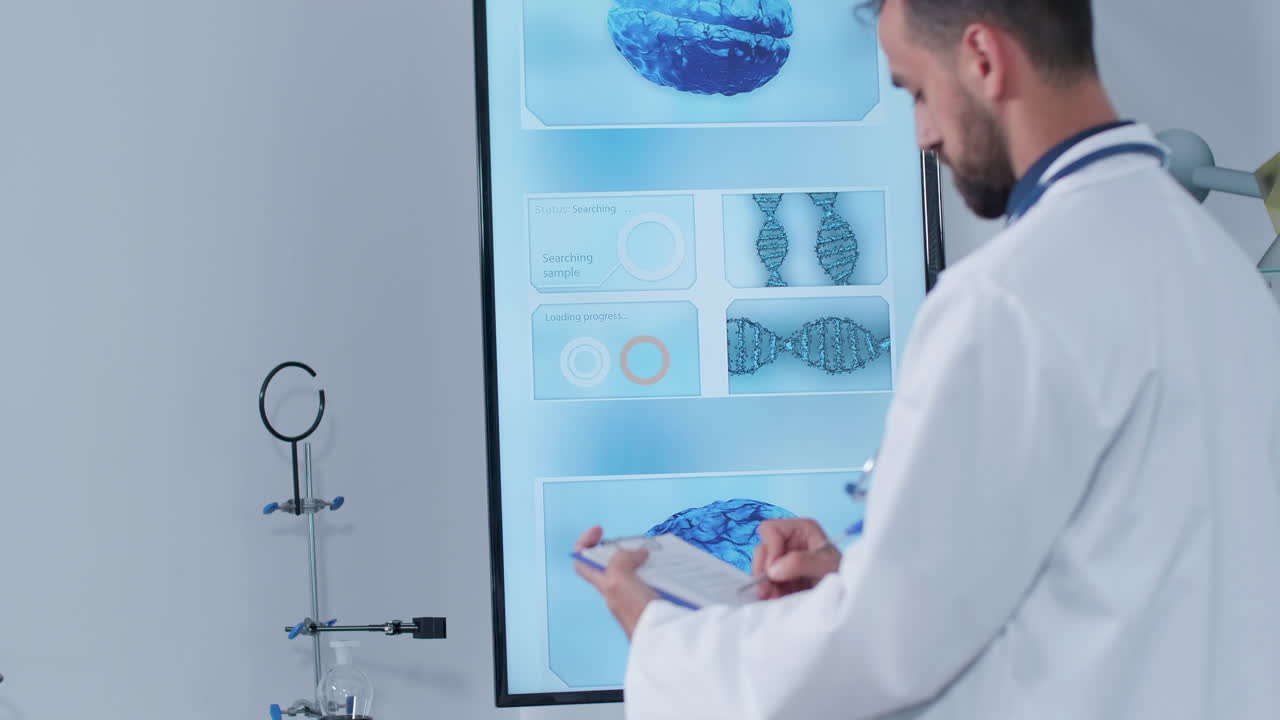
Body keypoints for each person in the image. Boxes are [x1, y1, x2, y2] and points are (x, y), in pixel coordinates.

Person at [573, 0, 1280, 717]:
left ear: (983, 58)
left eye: (915, 90)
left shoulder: (1006, 297)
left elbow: (879, 656)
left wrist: (658, 635)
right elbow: (1121, 566)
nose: (923, 134)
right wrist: (863, 574)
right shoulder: (1215, 263)